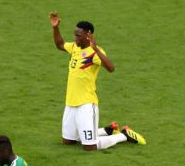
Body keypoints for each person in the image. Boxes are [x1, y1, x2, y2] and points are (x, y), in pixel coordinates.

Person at [49, 11, 146, 150]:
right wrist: (55, 27)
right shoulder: (75, 47)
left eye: (78, 35)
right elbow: (60, 44)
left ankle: (124, 135)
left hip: (86, 104)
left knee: (90, 146)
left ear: (88, 35)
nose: (75, 38)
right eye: (75, 34)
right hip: (70, 102)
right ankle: (108, 130)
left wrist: (96, 49)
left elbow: (111, 68)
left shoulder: (95, 52)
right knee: (68, 141)